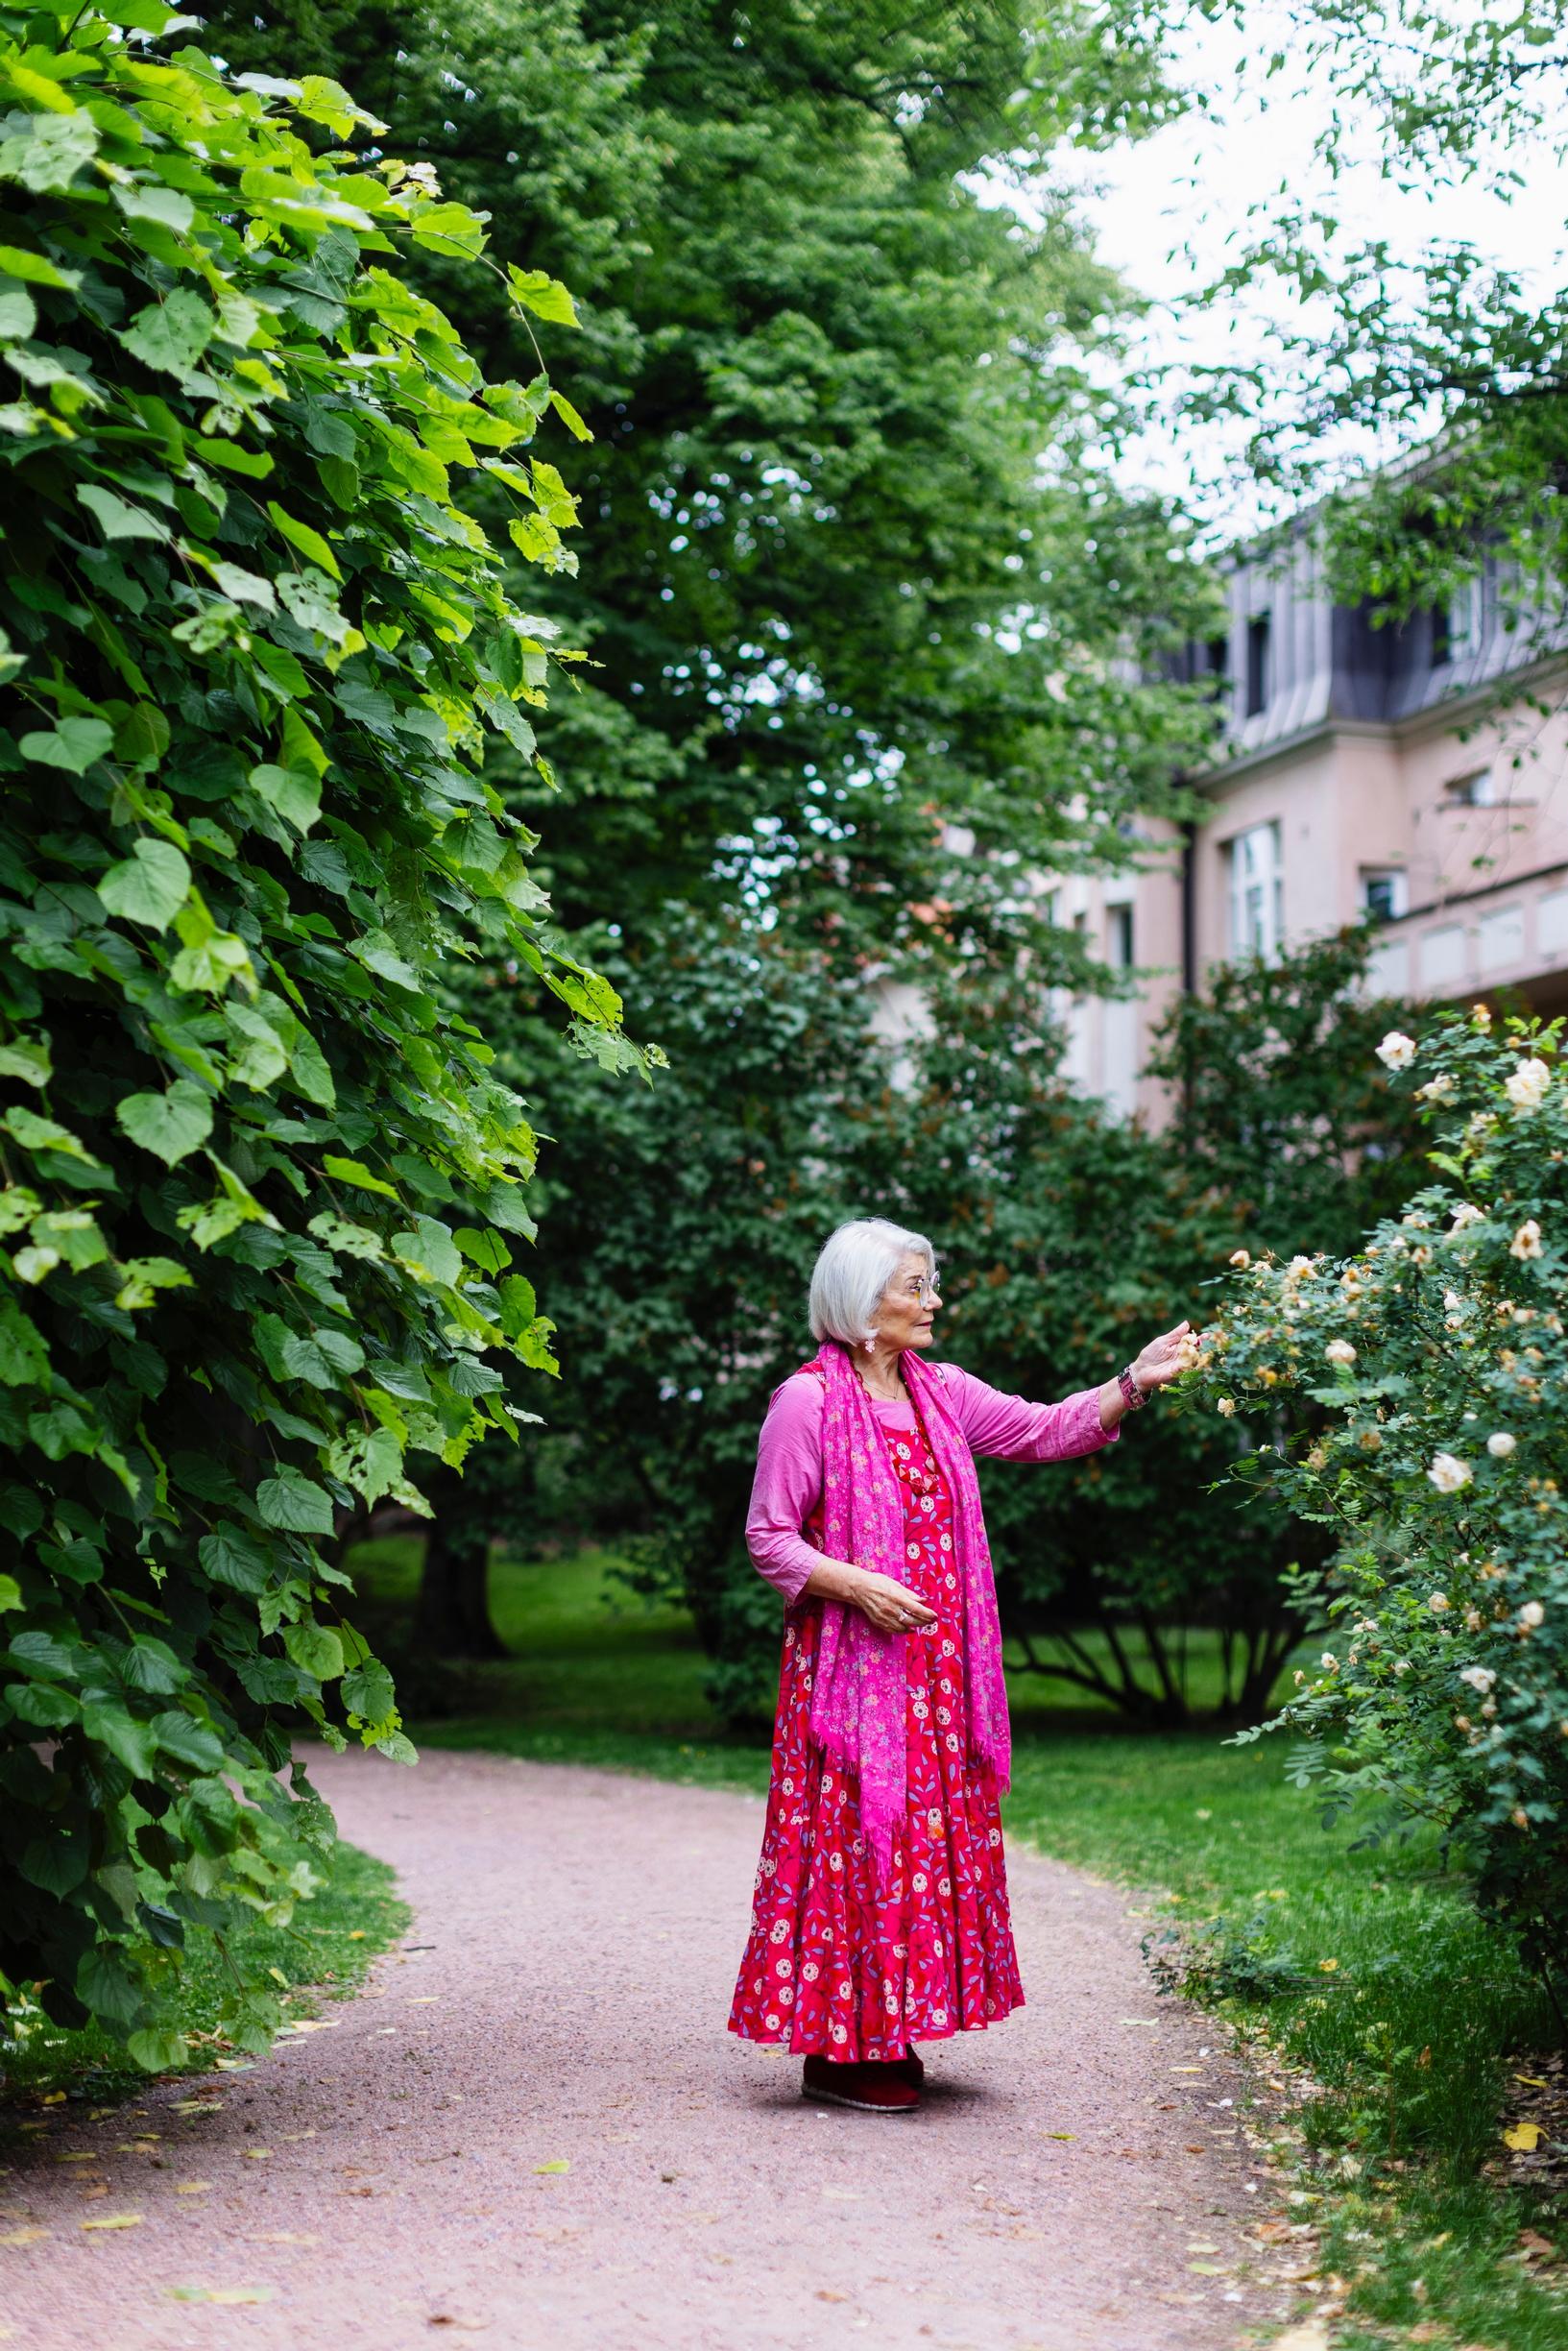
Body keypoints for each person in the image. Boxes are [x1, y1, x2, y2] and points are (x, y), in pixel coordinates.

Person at [728, 1216, 1195, 2113]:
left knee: (919, 1847)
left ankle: (889, 2028)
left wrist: (1132, 1384)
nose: (933, 1300)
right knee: (858, 1846)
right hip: (852, 1670)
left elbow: (1043, 1429)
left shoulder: (940, 1392)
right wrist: (857, 1586)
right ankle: (839, 2051)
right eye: (915, 1287)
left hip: (939, 1676)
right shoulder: (807, 1404)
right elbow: (769, 1538)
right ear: (863, 1305)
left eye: (928, 1284)